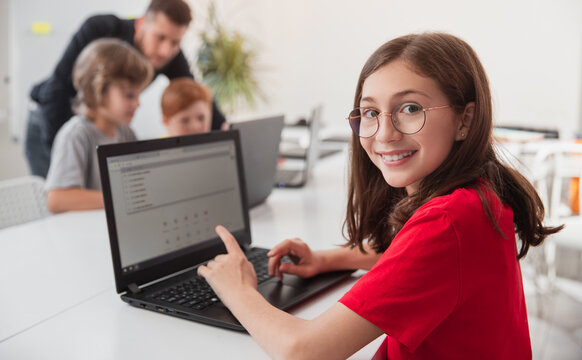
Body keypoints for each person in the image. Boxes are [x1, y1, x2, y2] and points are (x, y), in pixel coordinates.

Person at [196, 32, 562, 359]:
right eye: (370, 112)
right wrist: (326, 260)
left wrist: (237, 288)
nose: (384, 133)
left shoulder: (449, 221)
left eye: (410, 108)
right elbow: (413, 258)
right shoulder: (477, 193)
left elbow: (304, 351)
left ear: (464, 120)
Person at [25, 0, 226, 178]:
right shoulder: (102, 28)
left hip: (100, 132)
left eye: (175, 42)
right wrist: (63, 152)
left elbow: (195, 93)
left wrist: (225, 129)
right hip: (51, 119)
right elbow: (56, 91)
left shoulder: (170, 56)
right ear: (140, 24)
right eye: (160, 37)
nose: (166, 51)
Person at [45, 38, 153, 214]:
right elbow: (57, 200)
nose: (138, 103)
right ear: (97, 91)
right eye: (129, 95)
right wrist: (120, 199)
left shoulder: (125, 132)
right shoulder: (77, 135)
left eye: (138, 95)